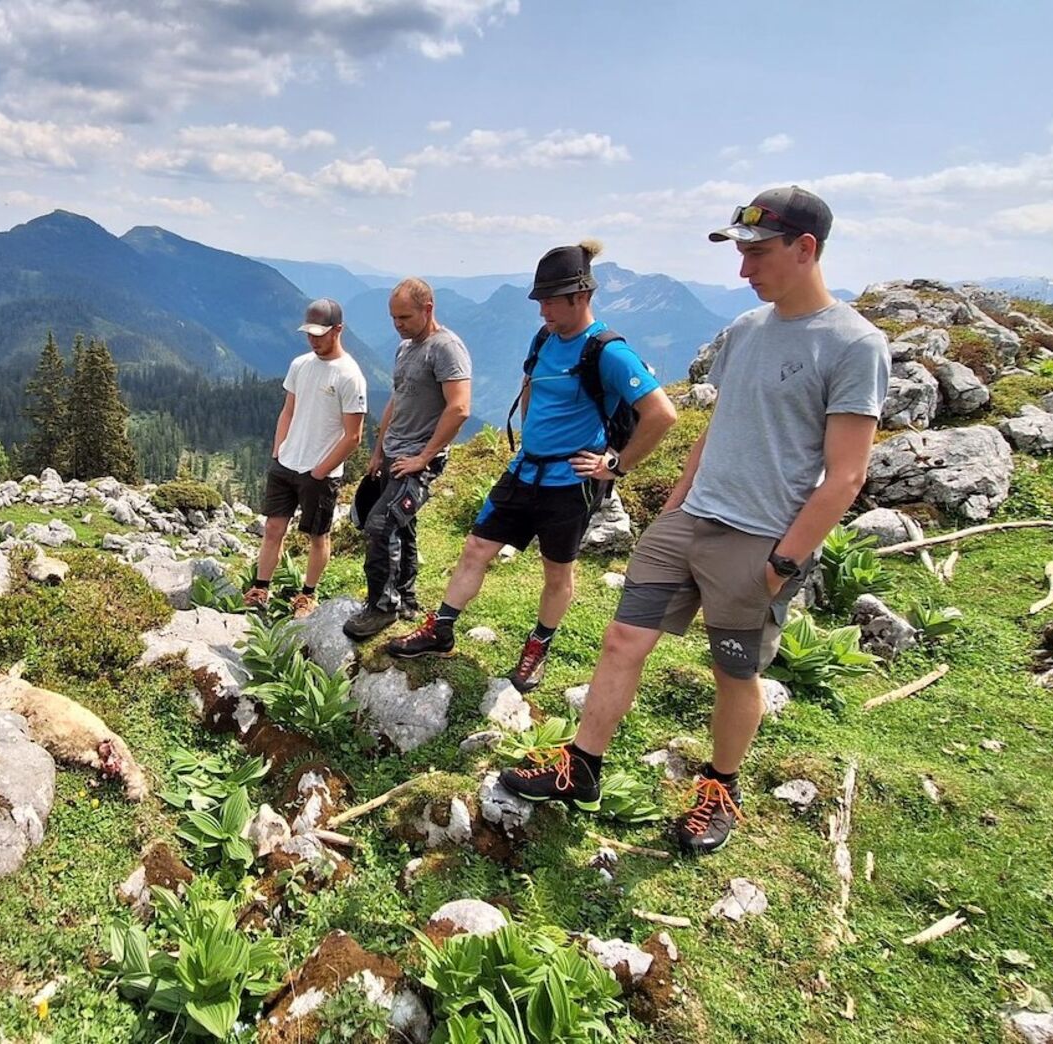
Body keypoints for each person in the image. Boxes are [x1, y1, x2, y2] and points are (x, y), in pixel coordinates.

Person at [498, 186, 889, 855]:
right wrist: (676, 506)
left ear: (805, 249)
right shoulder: (744, 332)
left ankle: (720, 786)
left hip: (760, 537)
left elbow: (846, 475)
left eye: (758, 253)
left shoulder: (854, 345)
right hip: (691, 520)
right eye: (741, 253)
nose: (744, 270)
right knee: (622, 639)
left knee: (734, 672)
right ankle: (582, 767)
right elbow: (718, 429)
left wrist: (784, 562)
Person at [386, 241, 676, 693]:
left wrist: (615, 465)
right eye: (539, 300)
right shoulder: (543, 339)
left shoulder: (608, 352)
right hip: (525, 471)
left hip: (570, 482)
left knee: (557, 572)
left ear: (579, 297)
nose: (542, 310)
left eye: (549, 301)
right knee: (476, 549)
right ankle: (441, 628)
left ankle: (538, 646)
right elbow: (530, 387)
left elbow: (662, 413)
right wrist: (526, 438)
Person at [343, 278, 472, 641]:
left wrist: (424, 457)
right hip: (393, 455)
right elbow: (397, 401)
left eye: (405, 317)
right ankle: (406, 599)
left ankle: (381, 608)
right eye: (393, 317)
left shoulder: (446, 348)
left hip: (419, 460)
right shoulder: (405, 349)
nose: (398, 324)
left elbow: (460, 408)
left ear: (428, 309)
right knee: (403, 527)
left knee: (381, 525)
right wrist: (378, 451)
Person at [244, 299, 368, 619]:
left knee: (317, 535)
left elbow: (354, 435)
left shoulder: (350, 375)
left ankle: (307, 595)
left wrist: (320, 471)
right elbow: (288, 410)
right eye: (309, 333)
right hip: (287, 463)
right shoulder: (300, 364)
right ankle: (260, 589)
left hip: (320, 472)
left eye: (320, 333)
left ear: (338, 330)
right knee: (273, 528)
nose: (313, 339)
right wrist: (278, 451)